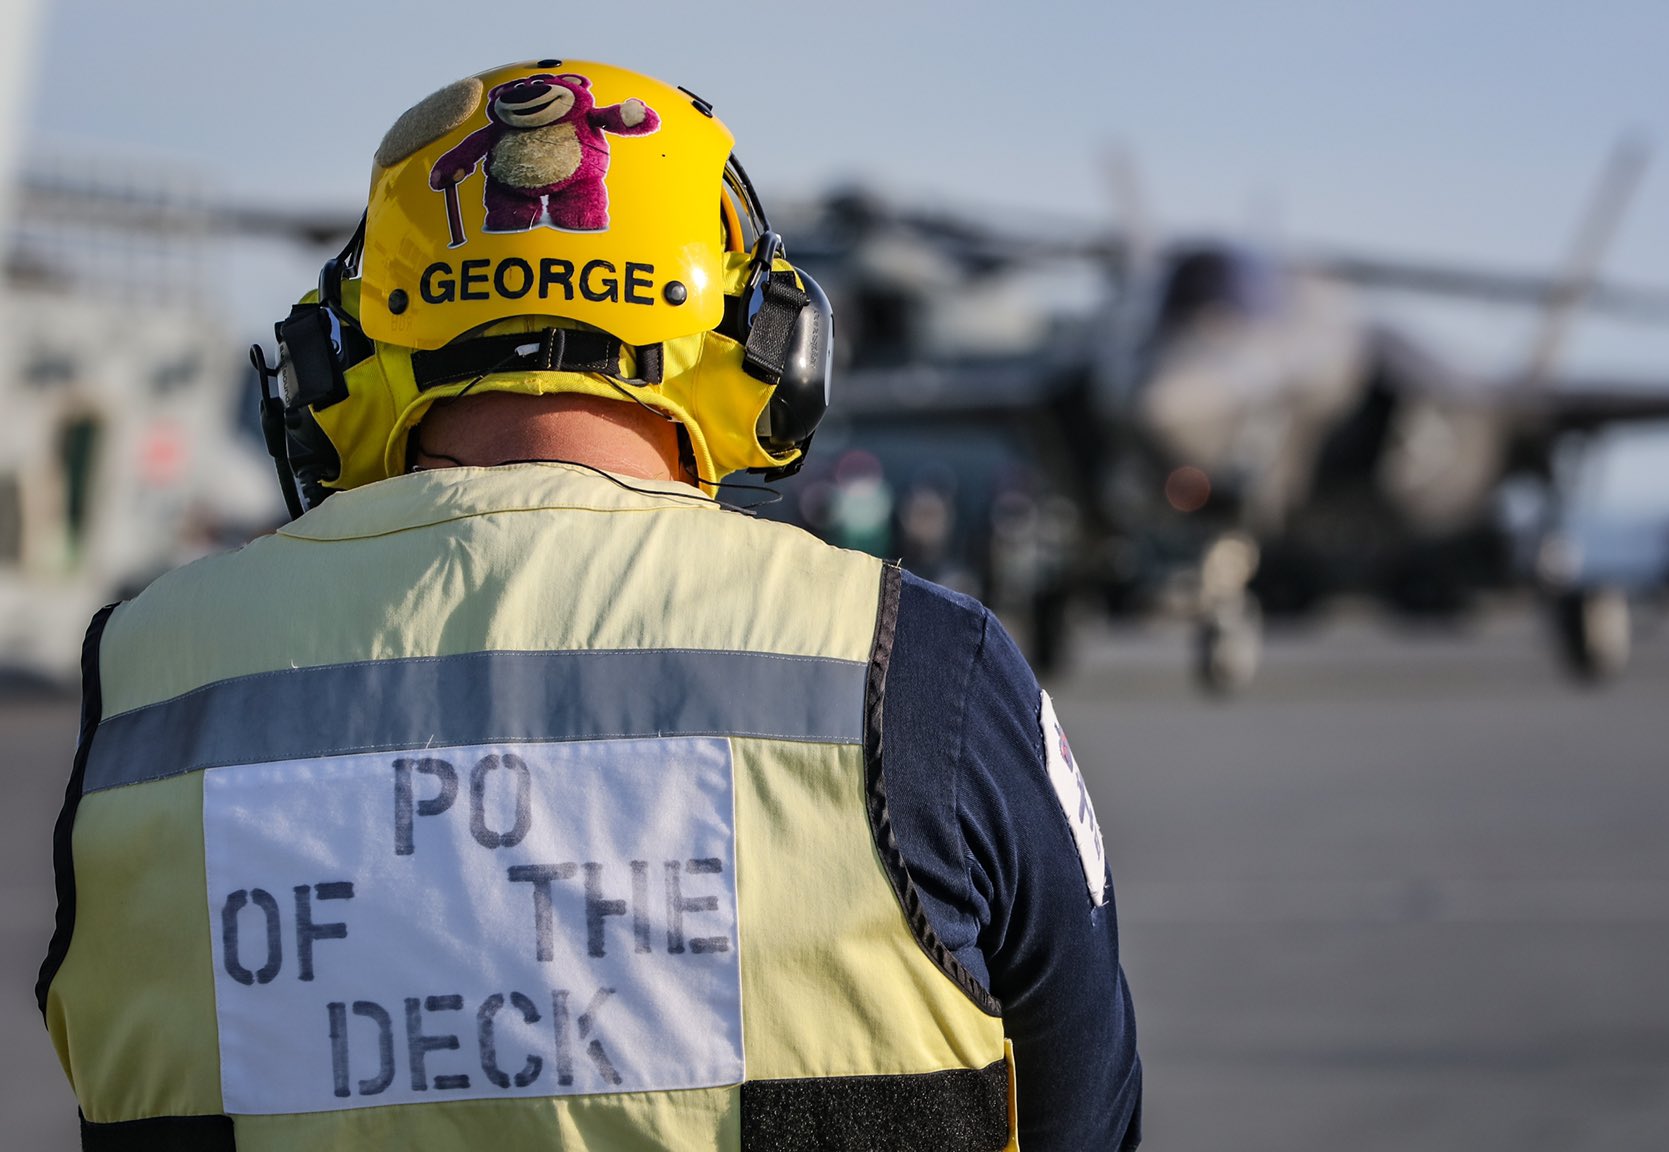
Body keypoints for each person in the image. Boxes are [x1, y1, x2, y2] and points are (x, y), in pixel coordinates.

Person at [38, 59, 1140, 1151]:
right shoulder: (920, 669)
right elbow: (1085, 1110)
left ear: (344, 350)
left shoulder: (145, 674)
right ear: (770, 345)